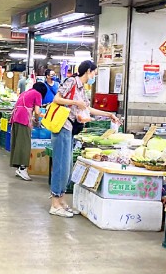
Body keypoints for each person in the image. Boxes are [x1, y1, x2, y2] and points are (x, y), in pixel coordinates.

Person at [49, 60, 118, 218]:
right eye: (94, 72)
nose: (95, 75)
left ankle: (62, 202)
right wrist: (75, 102)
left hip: (70, 128)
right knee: (61, 166)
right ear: (88, 71)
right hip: (61, 127)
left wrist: (109, 115)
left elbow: (87, 108)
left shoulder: (83, 88)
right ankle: (54, 204)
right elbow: (57, 99)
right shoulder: (71, 81)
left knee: (67, 167)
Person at [10, 82, 48, 181]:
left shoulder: (26, 92)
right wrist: (37, 119)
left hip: (16, 117)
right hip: (23, 119)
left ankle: (18, 167)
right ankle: (23, 168)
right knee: (25, 143)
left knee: (18, 142)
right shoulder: (38, 94)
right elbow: (37, 112)